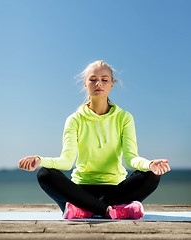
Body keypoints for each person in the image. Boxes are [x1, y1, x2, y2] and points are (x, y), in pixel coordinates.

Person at [19, 60, 170, 220]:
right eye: (93, 79)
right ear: (85, 84)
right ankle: (111, 210)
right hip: (80, 191)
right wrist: (39, 160)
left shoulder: (124, 118)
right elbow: (66, 162)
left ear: (112, 85)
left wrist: (150, 164)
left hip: (116, 189)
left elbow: (131, 158)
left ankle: (86, 210)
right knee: (44, 174)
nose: (99, 83)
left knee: (151, 175)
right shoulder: (74, 119)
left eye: (105, 80)